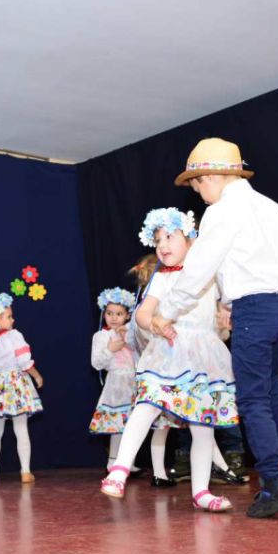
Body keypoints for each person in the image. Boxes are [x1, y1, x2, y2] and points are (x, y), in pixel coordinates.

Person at [153, 137, 278, 518]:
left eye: (197, 184)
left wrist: (166, 312)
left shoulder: (221, 211)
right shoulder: (271, 207)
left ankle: (275, 483)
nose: (197, 192)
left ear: (212, 176)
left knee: (252, 398)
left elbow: (198, 270)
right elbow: (256, 262)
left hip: (257, 310)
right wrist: (227, 304)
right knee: (270, 380)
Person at [100, 207, 238, 512]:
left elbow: (221, 315)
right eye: (157, 240)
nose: (162, 245)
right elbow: (143, 314)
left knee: (203, 425)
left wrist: (224, 321)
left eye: (169, 237)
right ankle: (120, 469)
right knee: (146, 405)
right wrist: (154, 324)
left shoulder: (210, 274)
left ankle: (201, 492)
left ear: (190, 239)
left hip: (202, 357)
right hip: (169, 352)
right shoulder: (162, 278)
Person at [0, 293, 44, 483]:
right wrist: (37, 375)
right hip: (15, 384)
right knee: (21, 428)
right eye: (9, 316)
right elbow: (24, 361)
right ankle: (25, 471)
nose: (13, 320)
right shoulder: (14, 336)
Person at [89, 287, 138, 469]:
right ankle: (112, 461)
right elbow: (97, 363)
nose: (114, 318)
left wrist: (130, 339)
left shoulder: (132, 334)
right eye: (109, 313)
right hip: (116, 383)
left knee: (133, 424)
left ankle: (127, 462)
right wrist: (110, 349)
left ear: (127, 315)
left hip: (134, 382)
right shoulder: (101, 336)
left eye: (119, 314)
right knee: (117, 423)